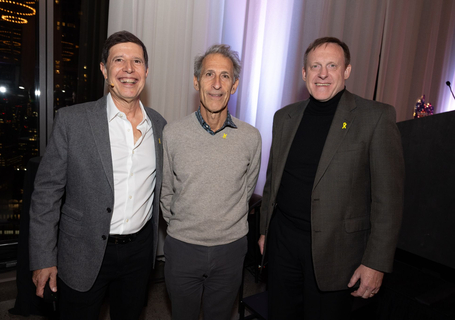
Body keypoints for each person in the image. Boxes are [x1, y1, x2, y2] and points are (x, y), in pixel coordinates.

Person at [258, 37, 404, 319]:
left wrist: (376, 263)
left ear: (346, 71)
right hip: (283, 243)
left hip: (336, 252)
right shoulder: (284, 117)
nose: (322, 74)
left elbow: (389, 200)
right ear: (304, 73)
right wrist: (266, 229)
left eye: (332, 66)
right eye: (315, 66)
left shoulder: (375, 118)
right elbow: (273, 179)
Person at [29, 30, 166, 320]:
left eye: (137, 61)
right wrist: (43, 258)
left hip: (139, 254)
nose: (129, 69)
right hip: (82, 250)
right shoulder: (72, 121)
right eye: (119, 60)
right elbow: (46, 194)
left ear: (146, 71)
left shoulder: (160, 126)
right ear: (104, 70)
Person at [160, 44, 262, 320]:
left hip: (230, 250)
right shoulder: (173, 133)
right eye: (209, 75)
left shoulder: (251, 137)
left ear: (235, 85)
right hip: (183, 248)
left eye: (225, 76)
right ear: (196, 81)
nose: (217, 84)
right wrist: (186, 226)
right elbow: (166, 192)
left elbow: (246, 191)